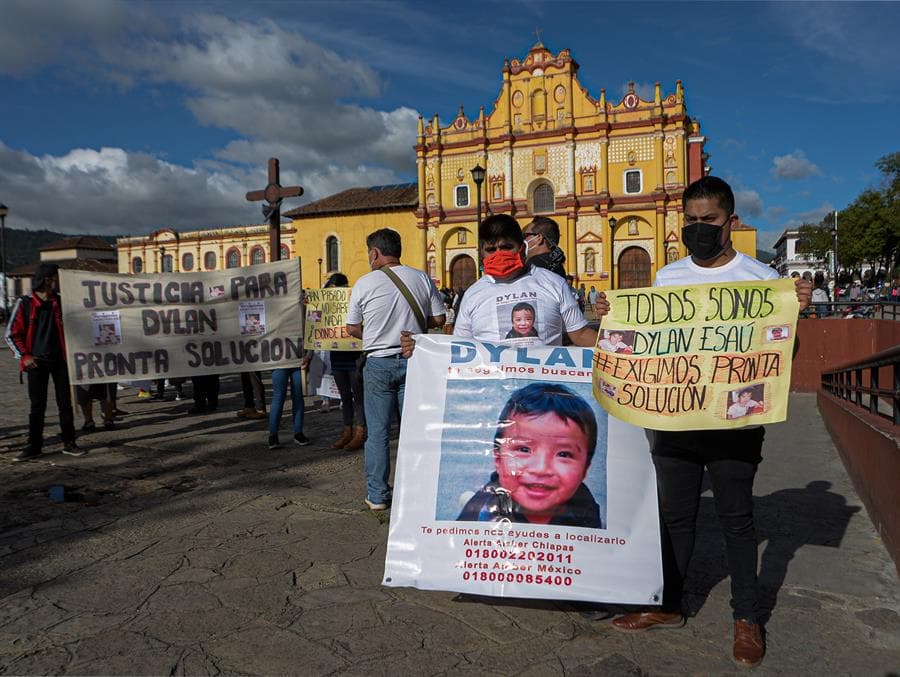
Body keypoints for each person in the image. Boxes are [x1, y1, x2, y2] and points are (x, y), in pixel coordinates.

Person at [601, 176, 812, 668]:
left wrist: (796, 316)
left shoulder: (761, 280)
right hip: (674, 423)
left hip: (734, 424)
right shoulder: (667, 278)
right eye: (691, 221)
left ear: (730, 223)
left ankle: (747, 617)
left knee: (737, 521)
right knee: (674, 518)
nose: (699, 229)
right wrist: (610, 318)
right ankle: (667, 605)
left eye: (709, 221)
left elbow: (784, 353)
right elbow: (644, 344)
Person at [346, 228, 446, 510]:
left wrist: (375, 334)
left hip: (378, 363)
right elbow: (439, 318)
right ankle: (416, 494)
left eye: (369, 253)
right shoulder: (422, 277)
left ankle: (377, 496)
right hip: (414, 359)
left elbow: (351, 327)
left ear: (375, 253)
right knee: (414, 431)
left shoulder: (364, 283)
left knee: (377, 433)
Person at [458, 382, 602, 528]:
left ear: (585, 468)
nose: (541, 469)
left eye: (563, 454)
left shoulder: (585, 508)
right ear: (498, 459)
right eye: (524, 450)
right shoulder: (480, 511)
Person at [4, 263, 84, 460]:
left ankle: (69, 442)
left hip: (60, 361)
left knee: (65, 404)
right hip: (36, 362)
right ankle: (34, 445)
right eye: (55, 278)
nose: (57, 282)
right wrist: (25, 356)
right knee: (37, 406)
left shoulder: (61, 302)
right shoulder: (25, 304)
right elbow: (11, 334)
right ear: (47, 279)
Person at [322, 273, 366, 451]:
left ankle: (360, 432)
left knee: (358, 397)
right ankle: (346, 431)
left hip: (354, 356)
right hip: (337, 355)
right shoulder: (328, 303)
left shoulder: (355, 300)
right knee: (345, 396)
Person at [267, 365, 309, 449]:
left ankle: (298, 433)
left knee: (298, 396)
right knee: (279, 397)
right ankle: (273, 434)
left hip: (297, 362)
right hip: (279, 362)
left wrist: (308, 356)